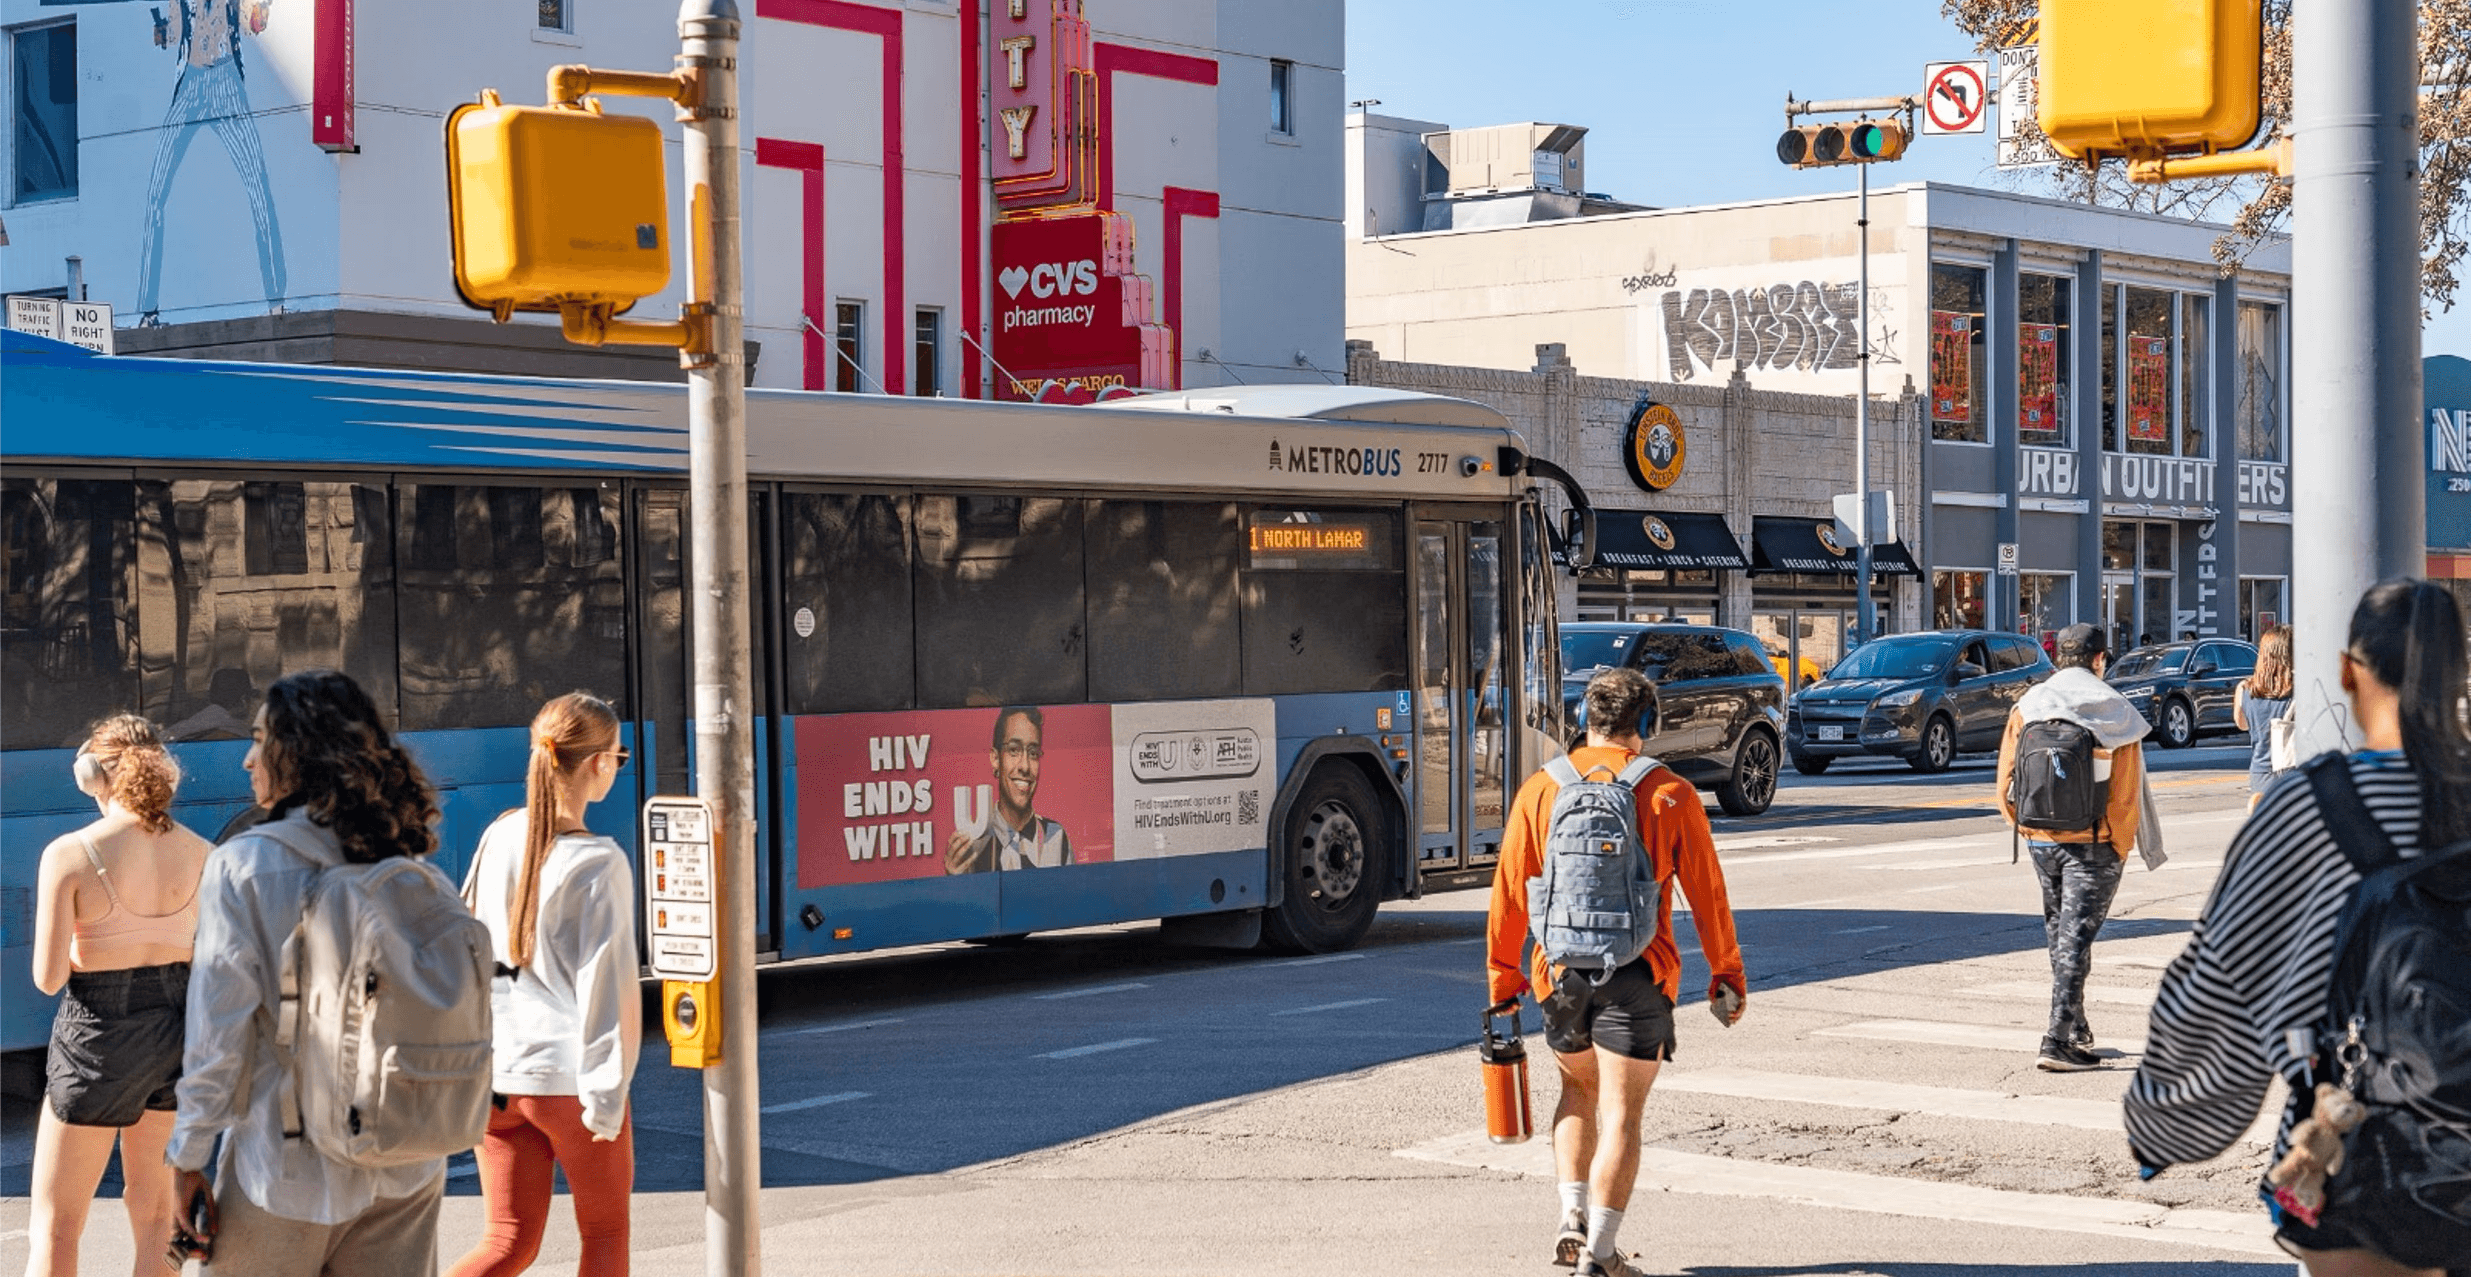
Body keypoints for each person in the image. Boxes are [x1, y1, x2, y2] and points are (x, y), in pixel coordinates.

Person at [2128, 580, 2470, 1276]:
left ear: (2347, 670)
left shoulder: (2313, 803)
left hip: (2371, 1151)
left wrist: (2164, 1121)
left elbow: (2221, 973)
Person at [167, 670, 448, 1276]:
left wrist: (188, 1155)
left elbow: (219, 1036)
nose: (247, 760)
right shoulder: (408, 862)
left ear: (293, 754)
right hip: (407, 1159)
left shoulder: (245, 866)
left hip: (288, 1165)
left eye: (259, 738)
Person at [1485, 668, 1746, 1277]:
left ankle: (1571, 1218)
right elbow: (1709, 895)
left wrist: (1504, 983)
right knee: (1623, 1117)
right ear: (1647, 726)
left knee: (1576, 1090)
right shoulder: (1670, 793)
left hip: (1559, 976)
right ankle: (1601, 1257)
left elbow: (1509, 895)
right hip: (1638, 973)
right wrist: (1726, 973)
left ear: (1584, 721)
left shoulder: (1539, 792)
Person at [448, 693, 642, 1277]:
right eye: (619, 756)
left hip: (495, 1079)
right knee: (605, 1240)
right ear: (598, 764)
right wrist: (607, 1101)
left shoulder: (499, 833)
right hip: (568, 1083)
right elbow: (608, 992)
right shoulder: (597, 863)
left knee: (507, 1242)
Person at [25, 715, 211, 1277]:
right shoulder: (201, 851)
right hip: (174, 1035)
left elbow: (49, 978)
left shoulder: (71, 853)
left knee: (56, 1226)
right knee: (156, 1213)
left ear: (91, 775)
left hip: (97, 1036)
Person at [1993, 623, 2149, 1072]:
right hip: (2094, 843)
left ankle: (2075, 1026)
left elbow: (2005, 779)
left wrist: (2025, 826)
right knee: (2075, 939)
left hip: (2041, 839)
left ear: (2058, 658)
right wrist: (2119, 844)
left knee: (2061, 934)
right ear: (2100, 659)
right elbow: (2125, 793)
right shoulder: (2113, 709)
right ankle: (2056, 1039)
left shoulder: (2029, 706)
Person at [945, 706, 1072, 873]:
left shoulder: (1056, 837)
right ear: (996, 759)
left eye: (1033, 753)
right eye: (1014, 750)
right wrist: (952, 884)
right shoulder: (973, 845)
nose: (1025, 766)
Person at [2233, 624, 2296, 810]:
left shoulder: (2244, 689)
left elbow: (2242, 725)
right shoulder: (2298, 688)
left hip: (2260, 775)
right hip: (2291, 772)